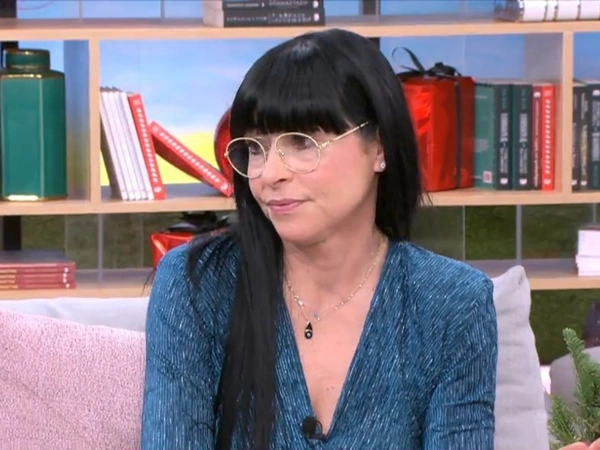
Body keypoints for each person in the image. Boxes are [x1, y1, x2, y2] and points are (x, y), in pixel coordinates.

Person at [140, 28, 498, 449]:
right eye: (255, 148)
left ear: (379, 147)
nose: (270, 174)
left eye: (301, 143)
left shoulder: (453, 304)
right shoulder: (195, 285)